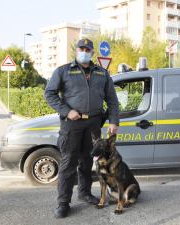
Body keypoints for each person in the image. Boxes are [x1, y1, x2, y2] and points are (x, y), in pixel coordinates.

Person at [44, 38, 119, 218]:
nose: (84, 51)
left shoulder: (102, 73)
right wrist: (67, 111)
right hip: (72, 124)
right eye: (81, 48)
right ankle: (63, 203)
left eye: (88, 49)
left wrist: (114, 121)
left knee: (87, 161)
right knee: (68, 163)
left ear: (92, 52)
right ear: (76, 50)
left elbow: (112, 100)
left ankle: (84, 193)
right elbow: (50, 94)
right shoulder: (63, 71)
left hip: (94, 123)